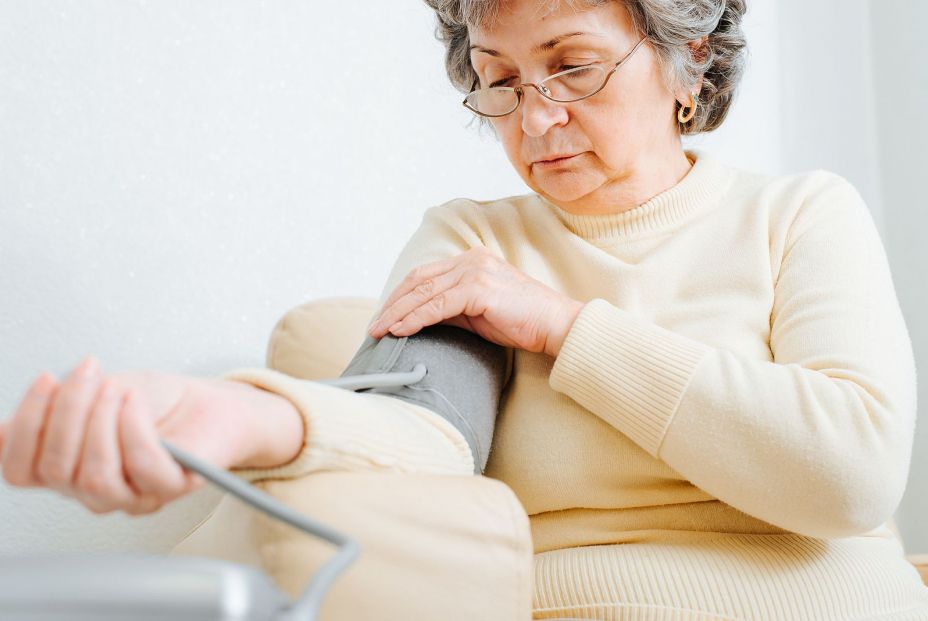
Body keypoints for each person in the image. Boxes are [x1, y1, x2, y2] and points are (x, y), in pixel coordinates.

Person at [2, 0, 927, 617]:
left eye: (573, 68)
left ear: (688, 60)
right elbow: (416, 427)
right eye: (500, 79)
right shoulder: (472, 241)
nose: (533, 121)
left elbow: (851, 471)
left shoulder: (801, 214)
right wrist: (239, 414)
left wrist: (561, 327)